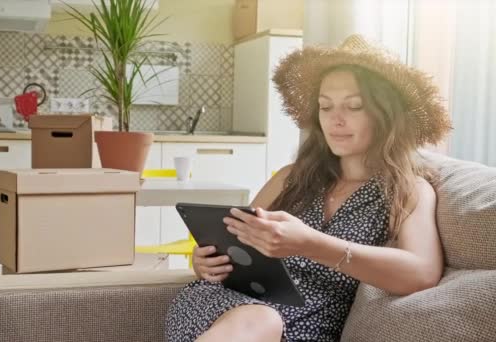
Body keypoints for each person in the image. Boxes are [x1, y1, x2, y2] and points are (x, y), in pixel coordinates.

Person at [165, 35, 452, 342]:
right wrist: (204, 262)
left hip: (306, 325)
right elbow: (236, 242)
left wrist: (309, 243)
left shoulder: (408, 190)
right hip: (225, 306)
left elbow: (421, 273)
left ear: (385, 115)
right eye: (325, 107)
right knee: (259, 320)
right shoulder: (291, 177)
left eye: (354, 106)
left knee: (262, 322)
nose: (335, 120)